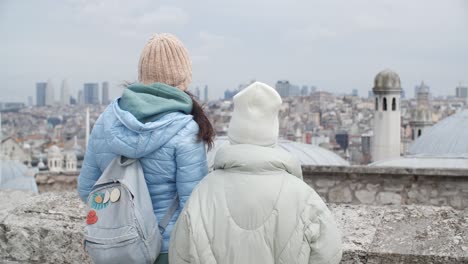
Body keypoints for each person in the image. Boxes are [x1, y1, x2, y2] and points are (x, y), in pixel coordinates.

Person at [169, 82, 342, 264]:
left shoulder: (202, 194)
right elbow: (328, 255)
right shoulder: (304, 198)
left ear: (234, 131)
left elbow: (180, 255)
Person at [77, 33, 214, 264]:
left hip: (115, 247)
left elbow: (86, 189)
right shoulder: (187, 129)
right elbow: (194, 206)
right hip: (164, 249)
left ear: (143, 74)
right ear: (184, 78)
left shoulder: (106, 121)